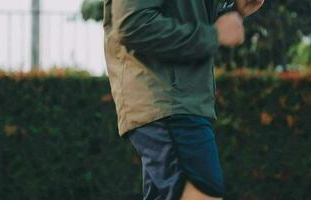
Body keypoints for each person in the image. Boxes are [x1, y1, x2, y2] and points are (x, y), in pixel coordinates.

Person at [103, 0, 264, 199]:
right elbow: (133, 24)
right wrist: (213, 35)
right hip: (168, 101)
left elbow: (183, 14)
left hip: (175, 101)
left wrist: (232, 8)